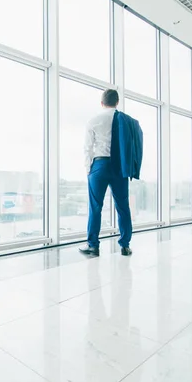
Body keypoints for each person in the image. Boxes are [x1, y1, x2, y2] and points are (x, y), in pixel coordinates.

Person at [79, 89, 143, 257]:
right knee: (123, 207)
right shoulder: (127, 121)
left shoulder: (93, 121)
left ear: (102, 103)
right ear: (117, 102)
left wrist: (89, 169)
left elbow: (87, 148)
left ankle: (93, 246)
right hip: (119, 166)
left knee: (95, 207)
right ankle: (125, 245)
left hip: (99, 165)